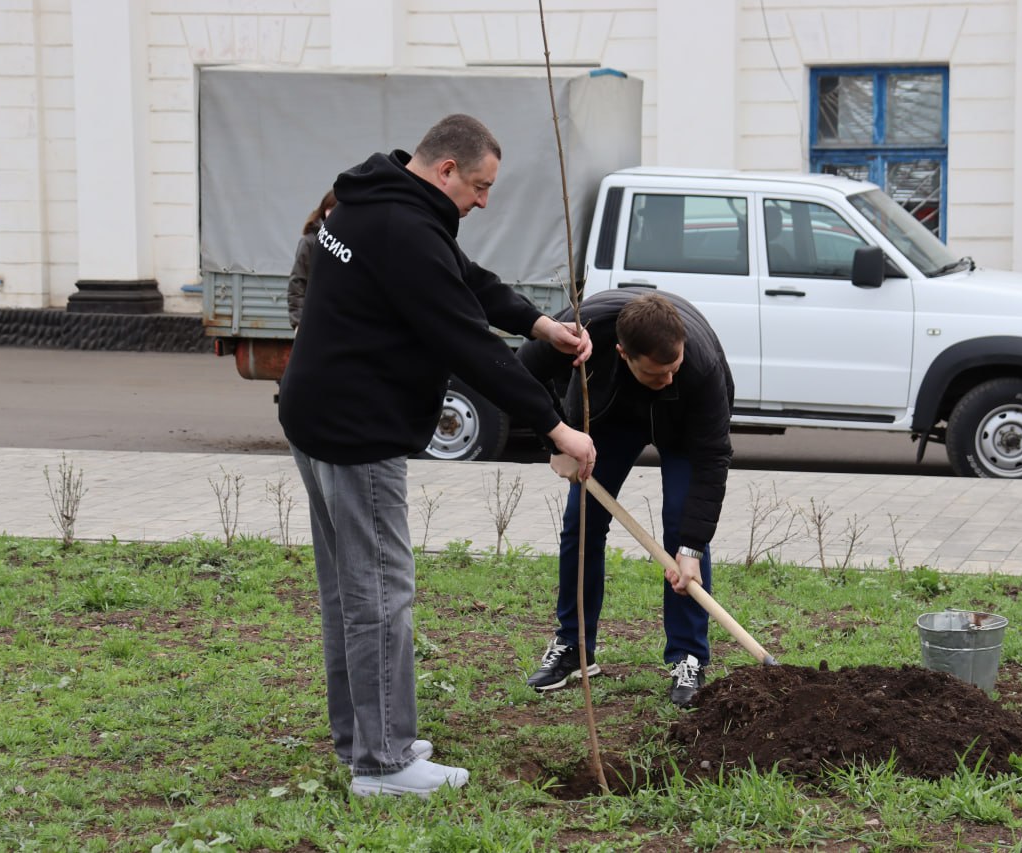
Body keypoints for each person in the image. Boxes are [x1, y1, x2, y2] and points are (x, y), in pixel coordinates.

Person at [278, 114, 597, 798]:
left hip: (316, 415)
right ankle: (386, 763)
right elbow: (466, 343)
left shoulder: (378, 196)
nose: (483, 201)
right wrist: (556, 427)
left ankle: (363, 739)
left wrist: (536, 321)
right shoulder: (400, 227)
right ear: (446, 168)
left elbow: (465, 280)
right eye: (479, 186)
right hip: (354, 431)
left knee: (348, 591)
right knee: (379, 592)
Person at [518, 290, 734, 707]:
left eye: (674, 367)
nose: (667, 378)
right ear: (622, 353)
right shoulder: (579, 335)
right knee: (583, 521)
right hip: (610, 415)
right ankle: (574, 648)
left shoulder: (701, 368)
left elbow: (712, 460)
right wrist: (555, 438)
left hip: (683, 426)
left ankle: (688, 655)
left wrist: (690, 548)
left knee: (681, 527)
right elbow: (518, 374)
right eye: (657, 373)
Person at [287, 188, 336, 330]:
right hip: (311, 323)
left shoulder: (346, 243)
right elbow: (297, 283)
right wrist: (299, 323)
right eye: (330, 208)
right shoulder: (310, 241)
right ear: (324, 209)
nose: (333, 214)